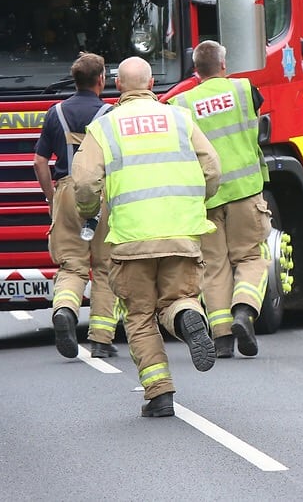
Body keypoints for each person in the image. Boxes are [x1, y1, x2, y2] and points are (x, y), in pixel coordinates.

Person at [73, 56, 221, 418]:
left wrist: (90, 212)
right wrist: (193, 202)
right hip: (181, 234)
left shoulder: (104, 128)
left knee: (139, 316)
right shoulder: (180, 119)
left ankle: (160, 394)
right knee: (179, 298)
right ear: (152, 83)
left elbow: (85, 183)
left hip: (131, 240)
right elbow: (213, 169)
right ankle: (188, 317)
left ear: (118, 85)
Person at [169, 40, 271, 358]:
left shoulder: (180, 103)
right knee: (251, 259)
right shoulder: (245, 90)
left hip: (208, 199)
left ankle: (222, 338)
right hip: (246, 194)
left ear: (196, 71)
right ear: (224, 65)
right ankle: (244, 310)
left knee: (214, 267)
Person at [33, 52, 119, 359]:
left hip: (66, 190)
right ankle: (101, 340)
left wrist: (51, 198)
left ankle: (65, 311)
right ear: (101, 80)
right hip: (103, 193)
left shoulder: (55, 112)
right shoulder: (111, 114)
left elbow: (39, 161)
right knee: (106, 267)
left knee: (72, 264)